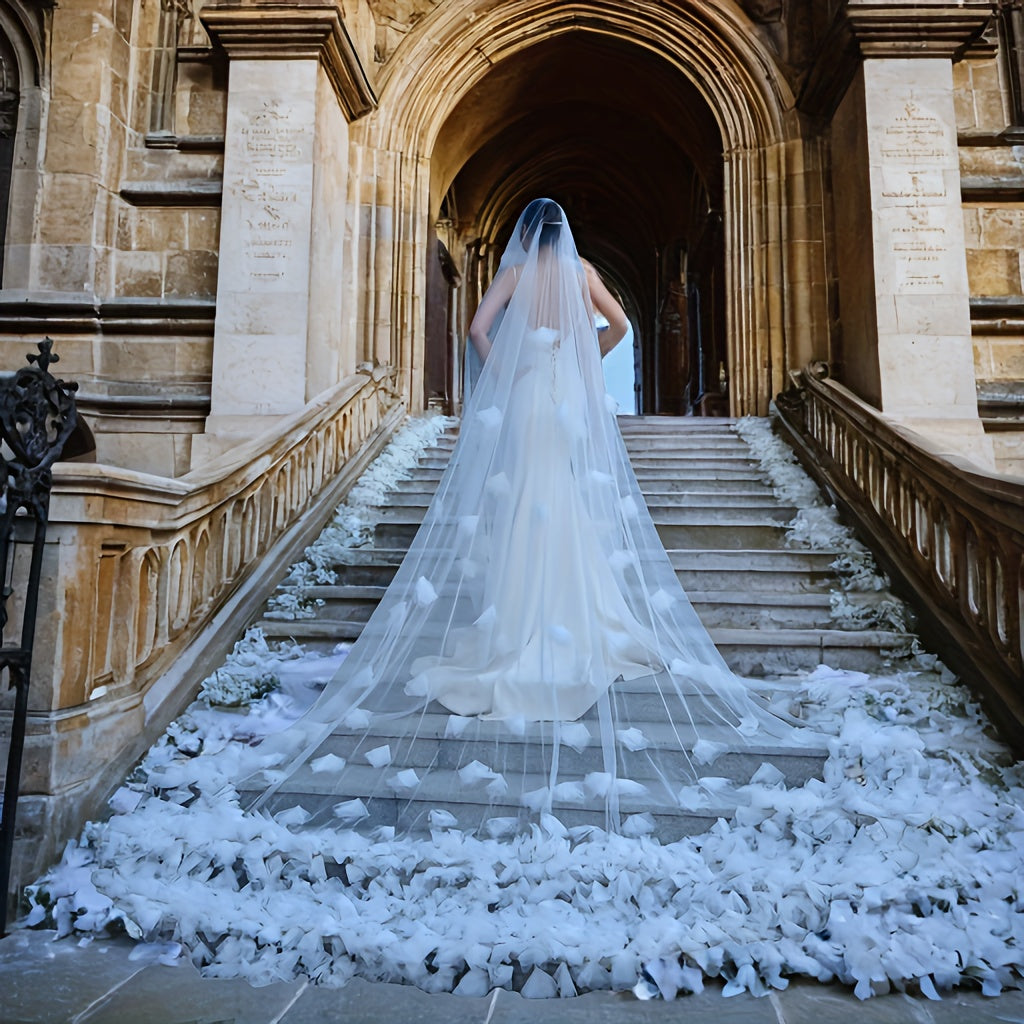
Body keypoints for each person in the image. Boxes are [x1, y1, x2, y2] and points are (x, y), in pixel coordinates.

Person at [252, 198, 798, 836]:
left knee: (520, 506)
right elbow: (621, 327)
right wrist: (580, 350)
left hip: (528, 397)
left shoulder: (515, 277)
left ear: (526, 238)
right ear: (566, 237)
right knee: (562, 501)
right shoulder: (581, 275)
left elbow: (477, 331)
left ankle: (516, 617)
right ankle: (571, 614)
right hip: (565, 397)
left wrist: (512, 365)